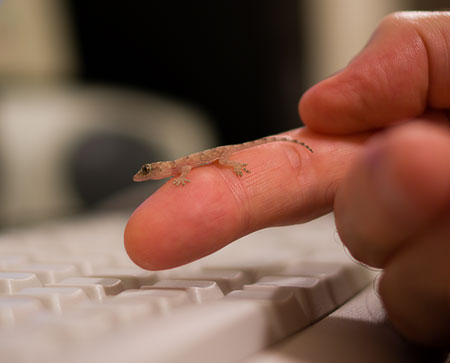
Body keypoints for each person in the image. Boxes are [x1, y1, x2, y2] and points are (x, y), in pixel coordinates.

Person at [124, 11, 450, 348]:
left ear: (160, 168)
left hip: (223, 154)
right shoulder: (179, 168)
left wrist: (232, 166)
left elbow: (198, 165)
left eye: (149, 170)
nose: (150, 173)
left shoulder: (181, 168)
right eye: (150, 171)